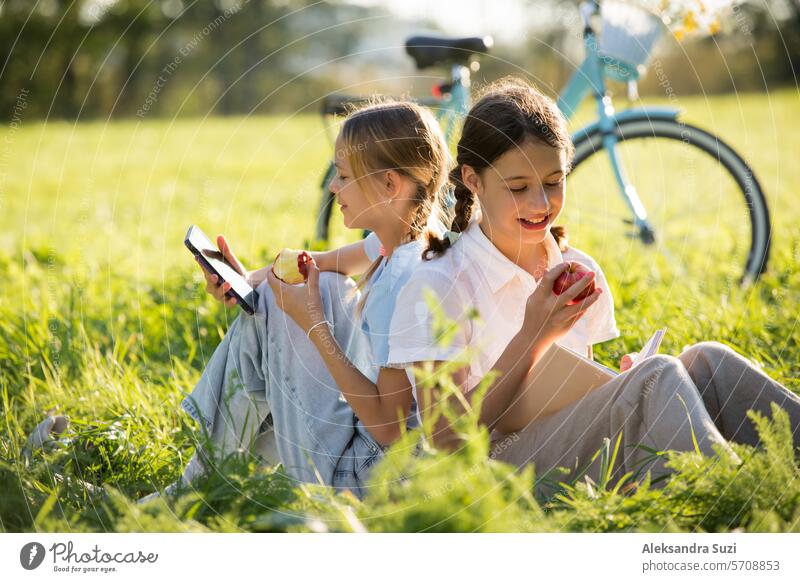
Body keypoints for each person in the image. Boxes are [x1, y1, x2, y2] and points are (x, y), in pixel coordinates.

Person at [382, 77, 800, 493]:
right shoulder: (437, 285)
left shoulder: (576, 268)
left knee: (705, 363)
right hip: (493, 477)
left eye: (552, 182)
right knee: (658, 376)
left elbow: (571, 397)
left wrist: (616, 384)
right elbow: (448, 443)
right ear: (473, 180)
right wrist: (534, 334)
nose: (541, 204)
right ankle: (739, 496)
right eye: (518, 188)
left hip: (570, 456)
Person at [139, 99, 449, 502]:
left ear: (390, 185)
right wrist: (244, 279)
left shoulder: (404, 286)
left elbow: (388, 429)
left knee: (280, 312)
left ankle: (193, 490)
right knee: (311, 290)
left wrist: (313, 324)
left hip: (369, 481)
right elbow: (319, 266)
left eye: (343, 176)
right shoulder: (418, 238)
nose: (334, 187)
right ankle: (211, 482)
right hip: (388, 459)